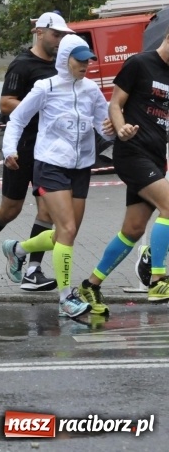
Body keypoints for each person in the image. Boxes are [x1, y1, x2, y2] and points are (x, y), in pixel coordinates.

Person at [0, 35, 112, 318]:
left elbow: (104, 126)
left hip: (81, 167)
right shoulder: (45, 87)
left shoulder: (91, 90)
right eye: (80, 60)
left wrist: (116, 131)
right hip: (50, 165)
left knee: (66, 233)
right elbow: (17, 119)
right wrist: (9, 150)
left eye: (88, 60)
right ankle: (65, 299)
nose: (86, 65)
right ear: (64, 59)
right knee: (67, 230)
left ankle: (18, 249)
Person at [0, 12, 70, 291]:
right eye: (56, 35)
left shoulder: (62, 65)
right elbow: (5, 104)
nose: (59, 41)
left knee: (47, 211)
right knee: (10, 209)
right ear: (40, 32)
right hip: (22, 146)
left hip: (49, 149)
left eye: (63, 36)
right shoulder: (22, 64)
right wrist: (40, 104)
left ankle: (33, 270)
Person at [80, 25, 169, 313]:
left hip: (156, 156)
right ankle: (157, 279)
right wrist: (120, 128)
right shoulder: (139, 63)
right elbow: (115, 104)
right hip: (132, 152)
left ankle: (91, 285)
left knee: (132, 230)